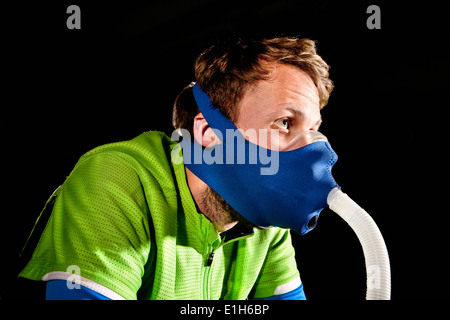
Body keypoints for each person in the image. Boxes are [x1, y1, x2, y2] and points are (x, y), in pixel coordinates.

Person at [17, 36, 334, 300]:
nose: (309, 147)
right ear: (210, 133)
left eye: (313, 129)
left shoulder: (266, 220)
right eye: (284, 122)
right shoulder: (116, 180)